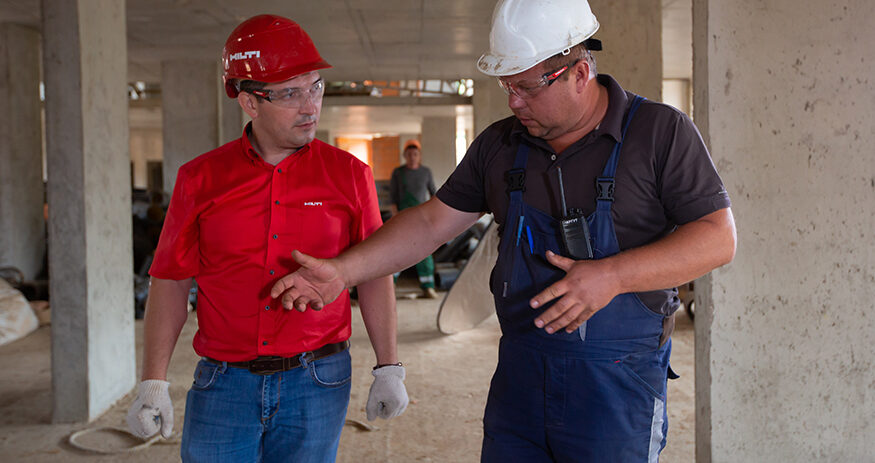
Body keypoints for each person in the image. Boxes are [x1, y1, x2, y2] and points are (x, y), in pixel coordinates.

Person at [270, 0, 737, 461]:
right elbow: (432, 223)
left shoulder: (659, 132)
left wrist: (613, 276)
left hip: (617, 381)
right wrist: (343, 271)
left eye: (528, 88)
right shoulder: (500, 144)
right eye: (507, 86)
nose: (514, 102)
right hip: (521, 375)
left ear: (579, 72)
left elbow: (718, 237)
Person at [125, 15, 408, 463]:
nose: (310, 106)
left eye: (315, 87)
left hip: (318, 379)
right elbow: (171, 280)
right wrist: (153, 382)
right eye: (290, 93)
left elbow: (375, 273)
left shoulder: (350, 176)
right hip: (223, 384)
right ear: (248, 101)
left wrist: (389, 366)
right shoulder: (199, 179)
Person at [389, 139, 438, 298]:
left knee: (424, 251)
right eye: (409, 154)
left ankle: (428, 286)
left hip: (422, 217)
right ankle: (390, 287)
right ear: (405, 156)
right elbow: (393, 197)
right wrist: (395, 216)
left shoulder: (426, 172)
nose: (412, 157)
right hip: (403, 216)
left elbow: (434, 194)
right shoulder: (398, 172)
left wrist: (433, 215)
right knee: (397, 250)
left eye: (415, 154)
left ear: (419, 156)